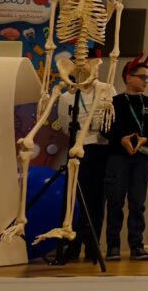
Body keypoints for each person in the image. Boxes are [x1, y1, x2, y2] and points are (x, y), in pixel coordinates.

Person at [103, 53, 148, 261]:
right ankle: (113, 246)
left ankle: (137, 245)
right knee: (115, 203)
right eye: (143, 77)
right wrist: (121, 139)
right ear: (129, 77)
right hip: (117, 159)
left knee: (137, 204)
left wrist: (145, 139)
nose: (146, 81)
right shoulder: (114, 102)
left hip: (140, 159)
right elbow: (105, 128)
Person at [57, 85, 108, 262]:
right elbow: (65, 125)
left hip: (102, 147)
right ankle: (72, 245)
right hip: (79, 146)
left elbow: (112, 118)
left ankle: (93, 246)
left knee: (98, 198)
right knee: (75, 197)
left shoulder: (107, 89)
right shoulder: (66, 97)